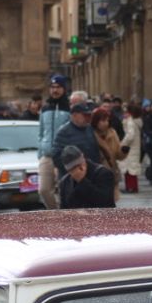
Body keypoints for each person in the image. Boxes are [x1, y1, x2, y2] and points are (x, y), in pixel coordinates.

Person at [36, 75, 70, 209]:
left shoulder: (68, 108)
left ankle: (66, 215)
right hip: (47, 155)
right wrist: (40, 152)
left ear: (63, 89)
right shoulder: (45, 108)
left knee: (64, 189)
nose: (55, 90)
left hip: (63, 155)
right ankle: (55, 212)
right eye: (53, 87)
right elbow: (40, 132)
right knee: (44, 190)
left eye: (58, 87)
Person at [51, 99, 101, 173]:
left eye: (89, 115)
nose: (88, 118)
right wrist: (74, 170)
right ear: (74, 115)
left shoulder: (89, 129)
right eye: (85, 115)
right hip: (73, 176)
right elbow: (57, 157)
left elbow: (95, 151)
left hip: (91, 174)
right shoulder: (64, 132)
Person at [91, 106, 123, 201]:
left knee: (111, 203)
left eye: (107, 120)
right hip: (96, 173)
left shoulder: (112, 133)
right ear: (96, 121)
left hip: (111, 172)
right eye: (103, 120)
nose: (106, 123)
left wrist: (124, 151)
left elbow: (118, 154)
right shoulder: (90, 134)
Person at [121, 103, 143, 193]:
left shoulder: (130, 121)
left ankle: (130, 187)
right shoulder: (136, 121)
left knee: (129, 169)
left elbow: (130, 135)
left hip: (130, 148)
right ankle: (133, 187)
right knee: (132, 168)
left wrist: (123, 143)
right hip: (135, 148)